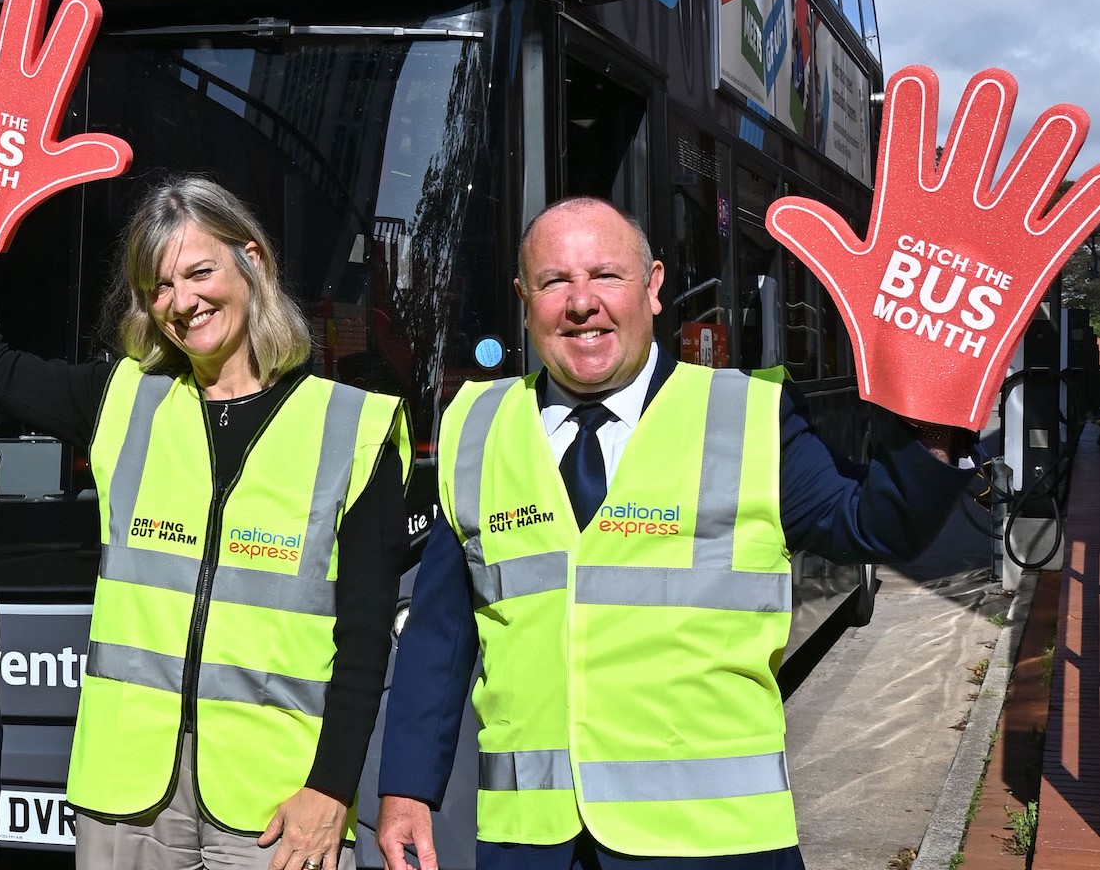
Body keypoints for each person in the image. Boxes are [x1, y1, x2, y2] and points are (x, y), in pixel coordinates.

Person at [374, 196, 974, 870]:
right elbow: (439, 634)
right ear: (523, 297)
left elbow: (875, 523)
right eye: (553, 282)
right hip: (529, 843)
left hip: (712, 843)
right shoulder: (475, 425)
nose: (580, 304)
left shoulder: (747, 416)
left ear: (652, 287)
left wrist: (934, 405)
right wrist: (403, 788)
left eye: (605, 275)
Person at [0, 175, 410, 870]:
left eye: (198, 272)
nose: (182, 303)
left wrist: (331, 789)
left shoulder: (352, 425)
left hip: (275, 807)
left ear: (252, 259)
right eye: (159, 287)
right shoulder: (123, 398)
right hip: (125, 799)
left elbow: (365, 636)